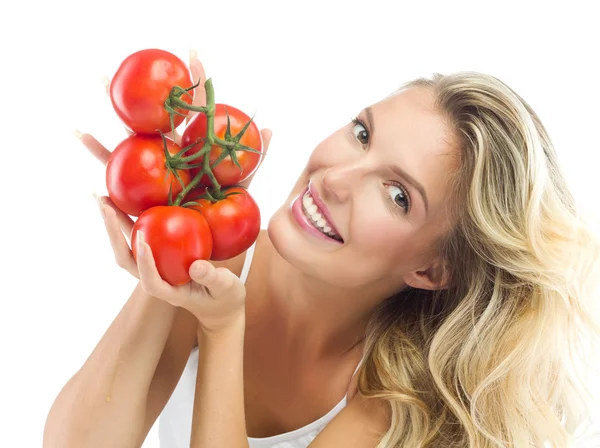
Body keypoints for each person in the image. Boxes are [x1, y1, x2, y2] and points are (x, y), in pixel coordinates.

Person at [44, 54, 600, 448]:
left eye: (398, 195)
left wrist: (220, 330)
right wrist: (166, 234)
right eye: (361, 133)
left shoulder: (392, 399)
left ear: (432, 269)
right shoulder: (219, 258)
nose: (336, 179)